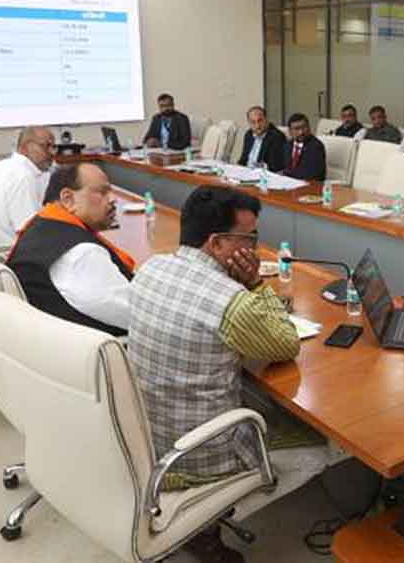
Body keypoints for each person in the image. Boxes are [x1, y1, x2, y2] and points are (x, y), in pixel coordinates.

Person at [127, 186, 323, 562]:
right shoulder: (231, 302)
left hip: (147, 435)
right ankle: (204, 523)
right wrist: (256, 285)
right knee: (319, 442)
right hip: (202, 453)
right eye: (248, 239)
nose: (254, 248)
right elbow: (285, 344)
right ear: (216, 243)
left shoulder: (151, 268)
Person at [6, 163, 133, 336]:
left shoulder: (45, 223)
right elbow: (136, 316)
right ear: (68, 199)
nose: (112, 199)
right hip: (95, 347)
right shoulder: (81, 254)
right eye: (102, 192)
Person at [0, 126, 55, 246]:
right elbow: (29, 229)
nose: (52, 152)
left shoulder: (1, 165)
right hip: (11, 250)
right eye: (46, 146)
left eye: (53, 147)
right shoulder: (22, 176)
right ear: (26, 147)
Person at [237, 105, 286, 171]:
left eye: (260, 121)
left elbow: (276, 166)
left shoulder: (276, 137)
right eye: (253, 122)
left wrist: (262, 166)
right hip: (246, 171)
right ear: (249, 123)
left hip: (262, 173)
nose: (257, 126)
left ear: (266, 120)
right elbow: (243, 158)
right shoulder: (248, 134)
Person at [281, 113, 326, 181]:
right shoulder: (287, 145)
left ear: (309, 127)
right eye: (297, 129)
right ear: (290, 131)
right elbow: (284, 167)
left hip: (309, 185)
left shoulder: (316, 147)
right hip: (289, 183)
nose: (301, 132)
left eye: (304, 127)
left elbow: (313, 175)